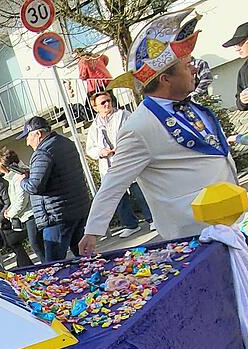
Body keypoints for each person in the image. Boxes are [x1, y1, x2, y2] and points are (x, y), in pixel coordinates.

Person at [79, 10, 239, 256]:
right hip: (196, 237)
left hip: (233, 222)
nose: (195, 70)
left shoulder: (196, 107)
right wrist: (93, 231)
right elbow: (115, 181)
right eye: (187, 66)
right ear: (165, 79)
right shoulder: (138, 127)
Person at [17, 116, 91, 262]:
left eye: (27, 137)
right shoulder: (66, 143)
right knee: (85, 257)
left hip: (56, 215)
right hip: (78, 208)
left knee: (54, 265)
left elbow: (34, 186)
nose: (27, 142)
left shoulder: (42, 152)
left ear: (38, 134)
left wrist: (23, 180)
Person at [85, 90, 154, 238]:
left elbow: (136, 131)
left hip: (128, 159)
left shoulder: (123, 115)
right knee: (118, 197)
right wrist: (101, 151)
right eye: (102, 103)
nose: (107, 104)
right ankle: (130, 224)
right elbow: (90, 149)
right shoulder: (94, 127)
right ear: (95, 107)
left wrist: (124, 146)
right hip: (109, 164)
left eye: (108, 100)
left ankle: (152, 219)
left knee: (139, 191)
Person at [0, 147, 43, 264]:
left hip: (31, 214)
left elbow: (22, 200)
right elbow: (16, 199)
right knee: (38, 244)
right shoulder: (16, 177)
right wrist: (10, 210)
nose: (2, 173)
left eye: (2, 170)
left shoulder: (19, 176)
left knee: (37, 244)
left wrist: (10, 213)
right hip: (28, 214)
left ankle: (49, 266)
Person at [223, 22, 248, 111]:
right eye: (235, 45)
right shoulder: (243, 71)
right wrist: (242, 101)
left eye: (240, 44)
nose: (237, 49)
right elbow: (239, 103)